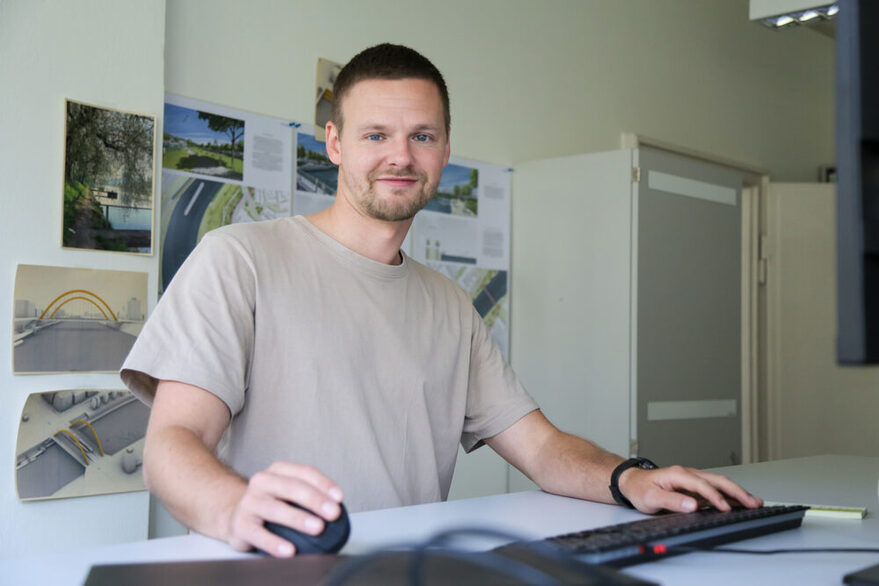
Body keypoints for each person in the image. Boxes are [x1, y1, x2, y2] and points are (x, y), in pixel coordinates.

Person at [121, 43, 762, 559]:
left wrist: (631, 480)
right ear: (335, 143)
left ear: (445, 151)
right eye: (376, 135)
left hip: (404, 573)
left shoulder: (451, 305)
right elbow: (172, 444)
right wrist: (235, 508)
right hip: (270, 569)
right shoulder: (240, 259)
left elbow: (540, 449)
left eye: (422, 136)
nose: (400, 156)